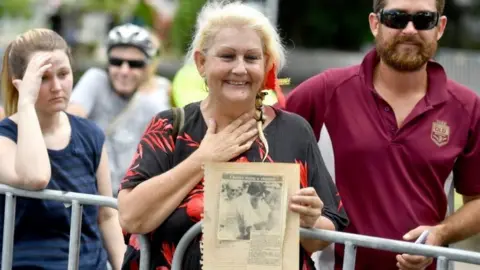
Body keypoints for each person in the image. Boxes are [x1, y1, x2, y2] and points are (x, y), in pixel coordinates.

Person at [117, 2, 348, 270]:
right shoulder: (170, 126)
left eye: (251, 58)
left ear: (266, 65)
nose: (240, 69)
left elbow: (324, 232)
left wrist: (308, 221)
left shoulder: (295, 130)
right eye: (227, 56)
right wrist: (204, 159)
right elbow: (131, 217)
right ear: (201, 63)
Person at [284, 0, 480, 269]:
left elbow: (477, 201)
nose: (410, 30)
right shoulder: (326, 91)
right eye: (396, 18)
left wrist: (440, 234)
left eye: (423, 20)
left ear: (440, 27)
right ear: (375, 24)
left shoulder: (467, 107)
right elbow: (263, 139)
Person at [0, 29, 126, 269]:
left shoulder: (91, 134)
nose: (57, 86)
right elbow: (36, 177)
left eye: (63, 74)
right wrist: (25, 102)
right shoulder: (5, 137)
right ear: (21, 83)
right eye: (44, 78)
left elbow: (107, 216)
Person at [67, 23, 171, 196]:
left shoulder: (154, 105)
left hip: (125, 204)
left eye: (134, 64)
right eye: (116, 62)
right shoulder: (96, 80)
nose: (124, 71)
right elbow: (70, 119)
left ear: (147, 68)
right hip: (87, 196)